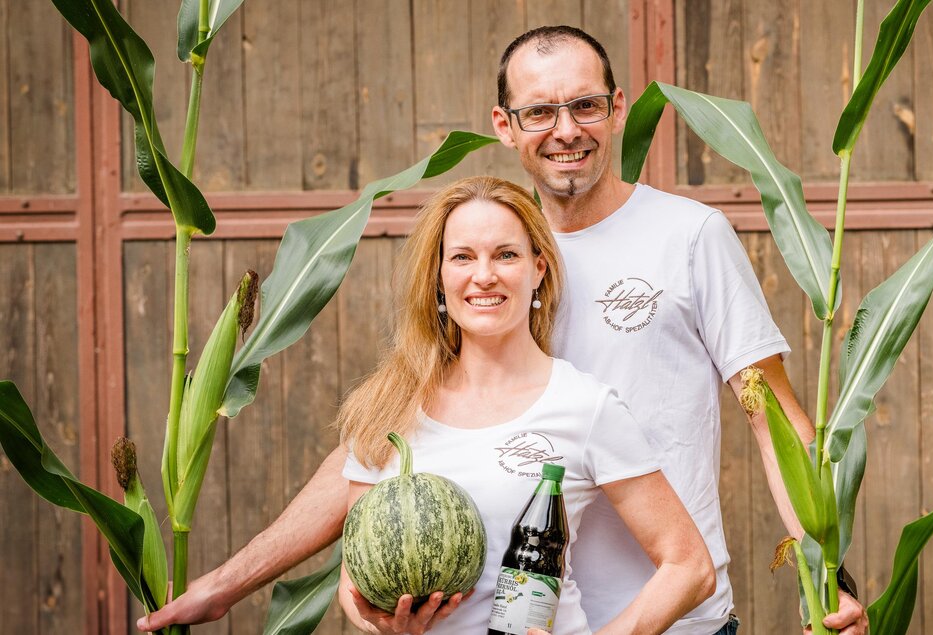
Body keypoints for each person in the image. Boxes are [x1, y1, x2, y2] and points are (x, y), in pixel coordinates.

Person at [139, 26, 867, 635]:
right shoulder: (484, 268)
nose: (567, 131)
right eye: (540, 111)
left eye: (585, 105)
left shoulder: (689, 236)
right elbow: (377, 449)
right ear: (505, 124)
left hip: (674, 616)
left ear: (617, 110)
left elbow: (773, 419)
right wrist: (229, 585)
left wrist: (827, 571)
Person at [332, 175, 713, 634]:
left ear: (539, 269)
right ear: (438, 277)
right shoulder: (384, 408)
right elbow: (352, 584)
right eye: (462, 257)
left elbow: (690, 566)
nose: (484, 275)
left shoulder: (584, 406)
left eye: (506, 254)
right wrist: (383, 625)